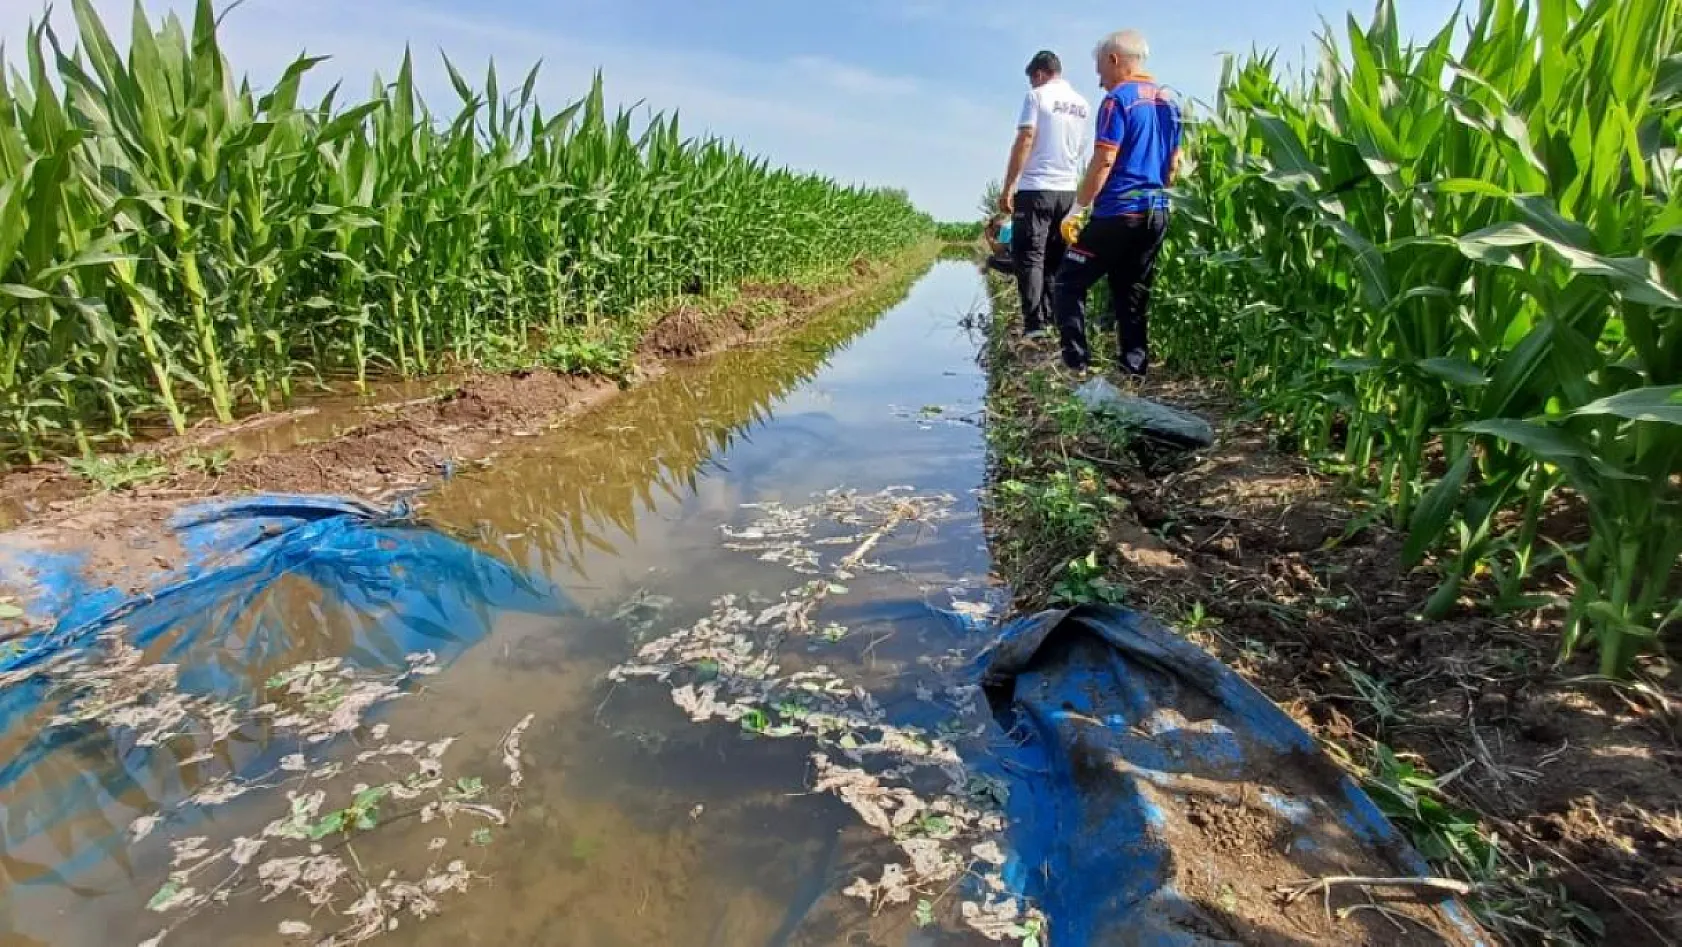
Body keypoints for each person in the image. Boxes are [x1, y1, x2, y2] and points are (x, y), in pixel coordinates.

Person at [1052, 29, 1182, 378]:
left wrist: (1078, 208)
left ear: (1115, 60)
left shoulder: (1117, 101)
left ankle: (1076, 364)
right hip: (1156, 212)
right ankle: (1133, 369)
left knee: (1067, 283)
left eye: (1100, 71)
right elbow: (1174, 166)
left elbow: (1104, 160)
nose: (1099, 82)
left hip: (1118, 213)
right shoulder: (1171, 102)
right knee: (1132, 292)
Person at [999, 51, 1090, 338]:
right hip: (1067, 189)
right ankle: (1056, 320)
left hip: (1036, 188)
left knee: (1030, 257)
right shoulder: (1082, 104)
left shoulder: (1037, 97)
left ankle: (1035, 326)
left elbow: (1026, 137)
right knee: (1058, 258)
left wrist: (1009, 186)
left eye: (1031, 80)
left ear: (1038, 74)